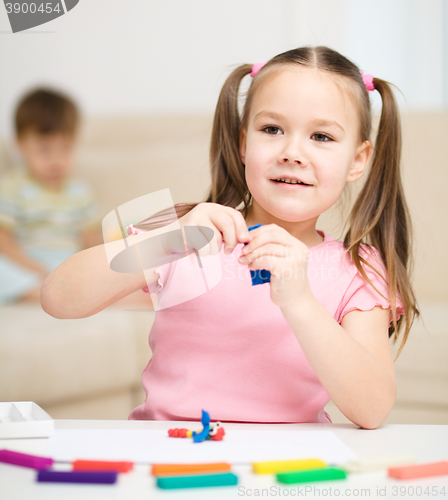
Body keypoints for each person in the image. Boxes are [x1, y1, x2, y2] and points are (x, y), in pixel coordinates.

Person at [41, 47, 419, 429]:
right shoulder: (187, 231)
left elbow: (372, 410)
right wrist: (173, 239)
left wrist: (301, 302)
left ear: (357, 160)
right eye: (272, 129)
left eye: (321, 136)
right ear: (242, 142)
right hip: (169, 454)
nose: (292, 152)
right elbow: (58, 298)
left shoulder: (356, 267)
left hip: (289, 467)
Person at [0, 88, 102, 304]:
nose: (56, 160)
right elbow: (4, 241)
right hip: (27, 264)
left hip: (68, 266)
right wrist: (38, 269)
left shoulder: (80, 192)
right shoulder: (12, 187)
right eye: (44, 150)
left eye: (65, 148)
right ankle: (51, 295)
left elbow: (90, 240)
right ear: (19, 144)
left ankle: (63, 293)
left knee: (104, 271)